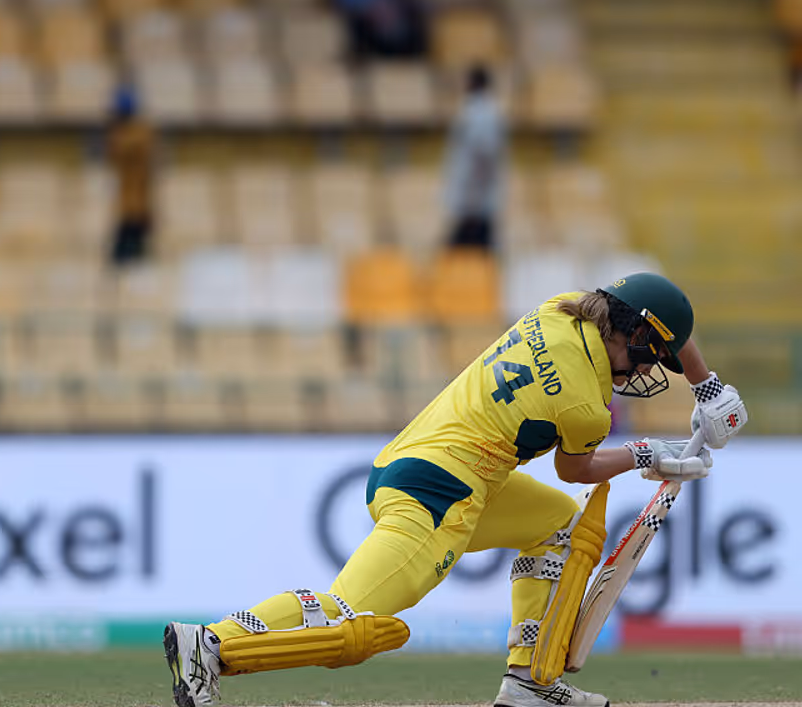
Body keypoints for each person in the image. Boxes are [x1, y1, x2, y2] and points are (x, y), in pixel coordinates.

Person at [165, 272, 750, 707]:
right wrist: (650, 454)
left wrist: (706, 385)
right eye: (654, 354)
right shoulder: (583, 400)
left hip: (431, 465)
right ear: (631, 332)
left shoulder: (562, 311)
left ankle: (526, 683)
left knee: (558, 526)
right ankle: (210, 643)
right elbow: (577, 469)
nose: (650, 367)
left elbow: (659, 308)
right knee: (349, 614)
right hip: (438, 492)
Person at [444, 64, 506, 249]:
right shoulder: (478, 110)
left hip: (475, 202)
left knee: (466, 256)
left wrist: (474, 197)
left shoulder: (481, 113)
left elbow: (484, 156)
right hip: (476, 199)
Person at [106, 85, 155, 267]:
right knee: (123, 250)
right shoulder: (124, 132)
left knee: (134, 245)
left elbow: (122, 149)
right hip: (128, 198)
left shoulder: (137, 133)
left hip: (136, 201)